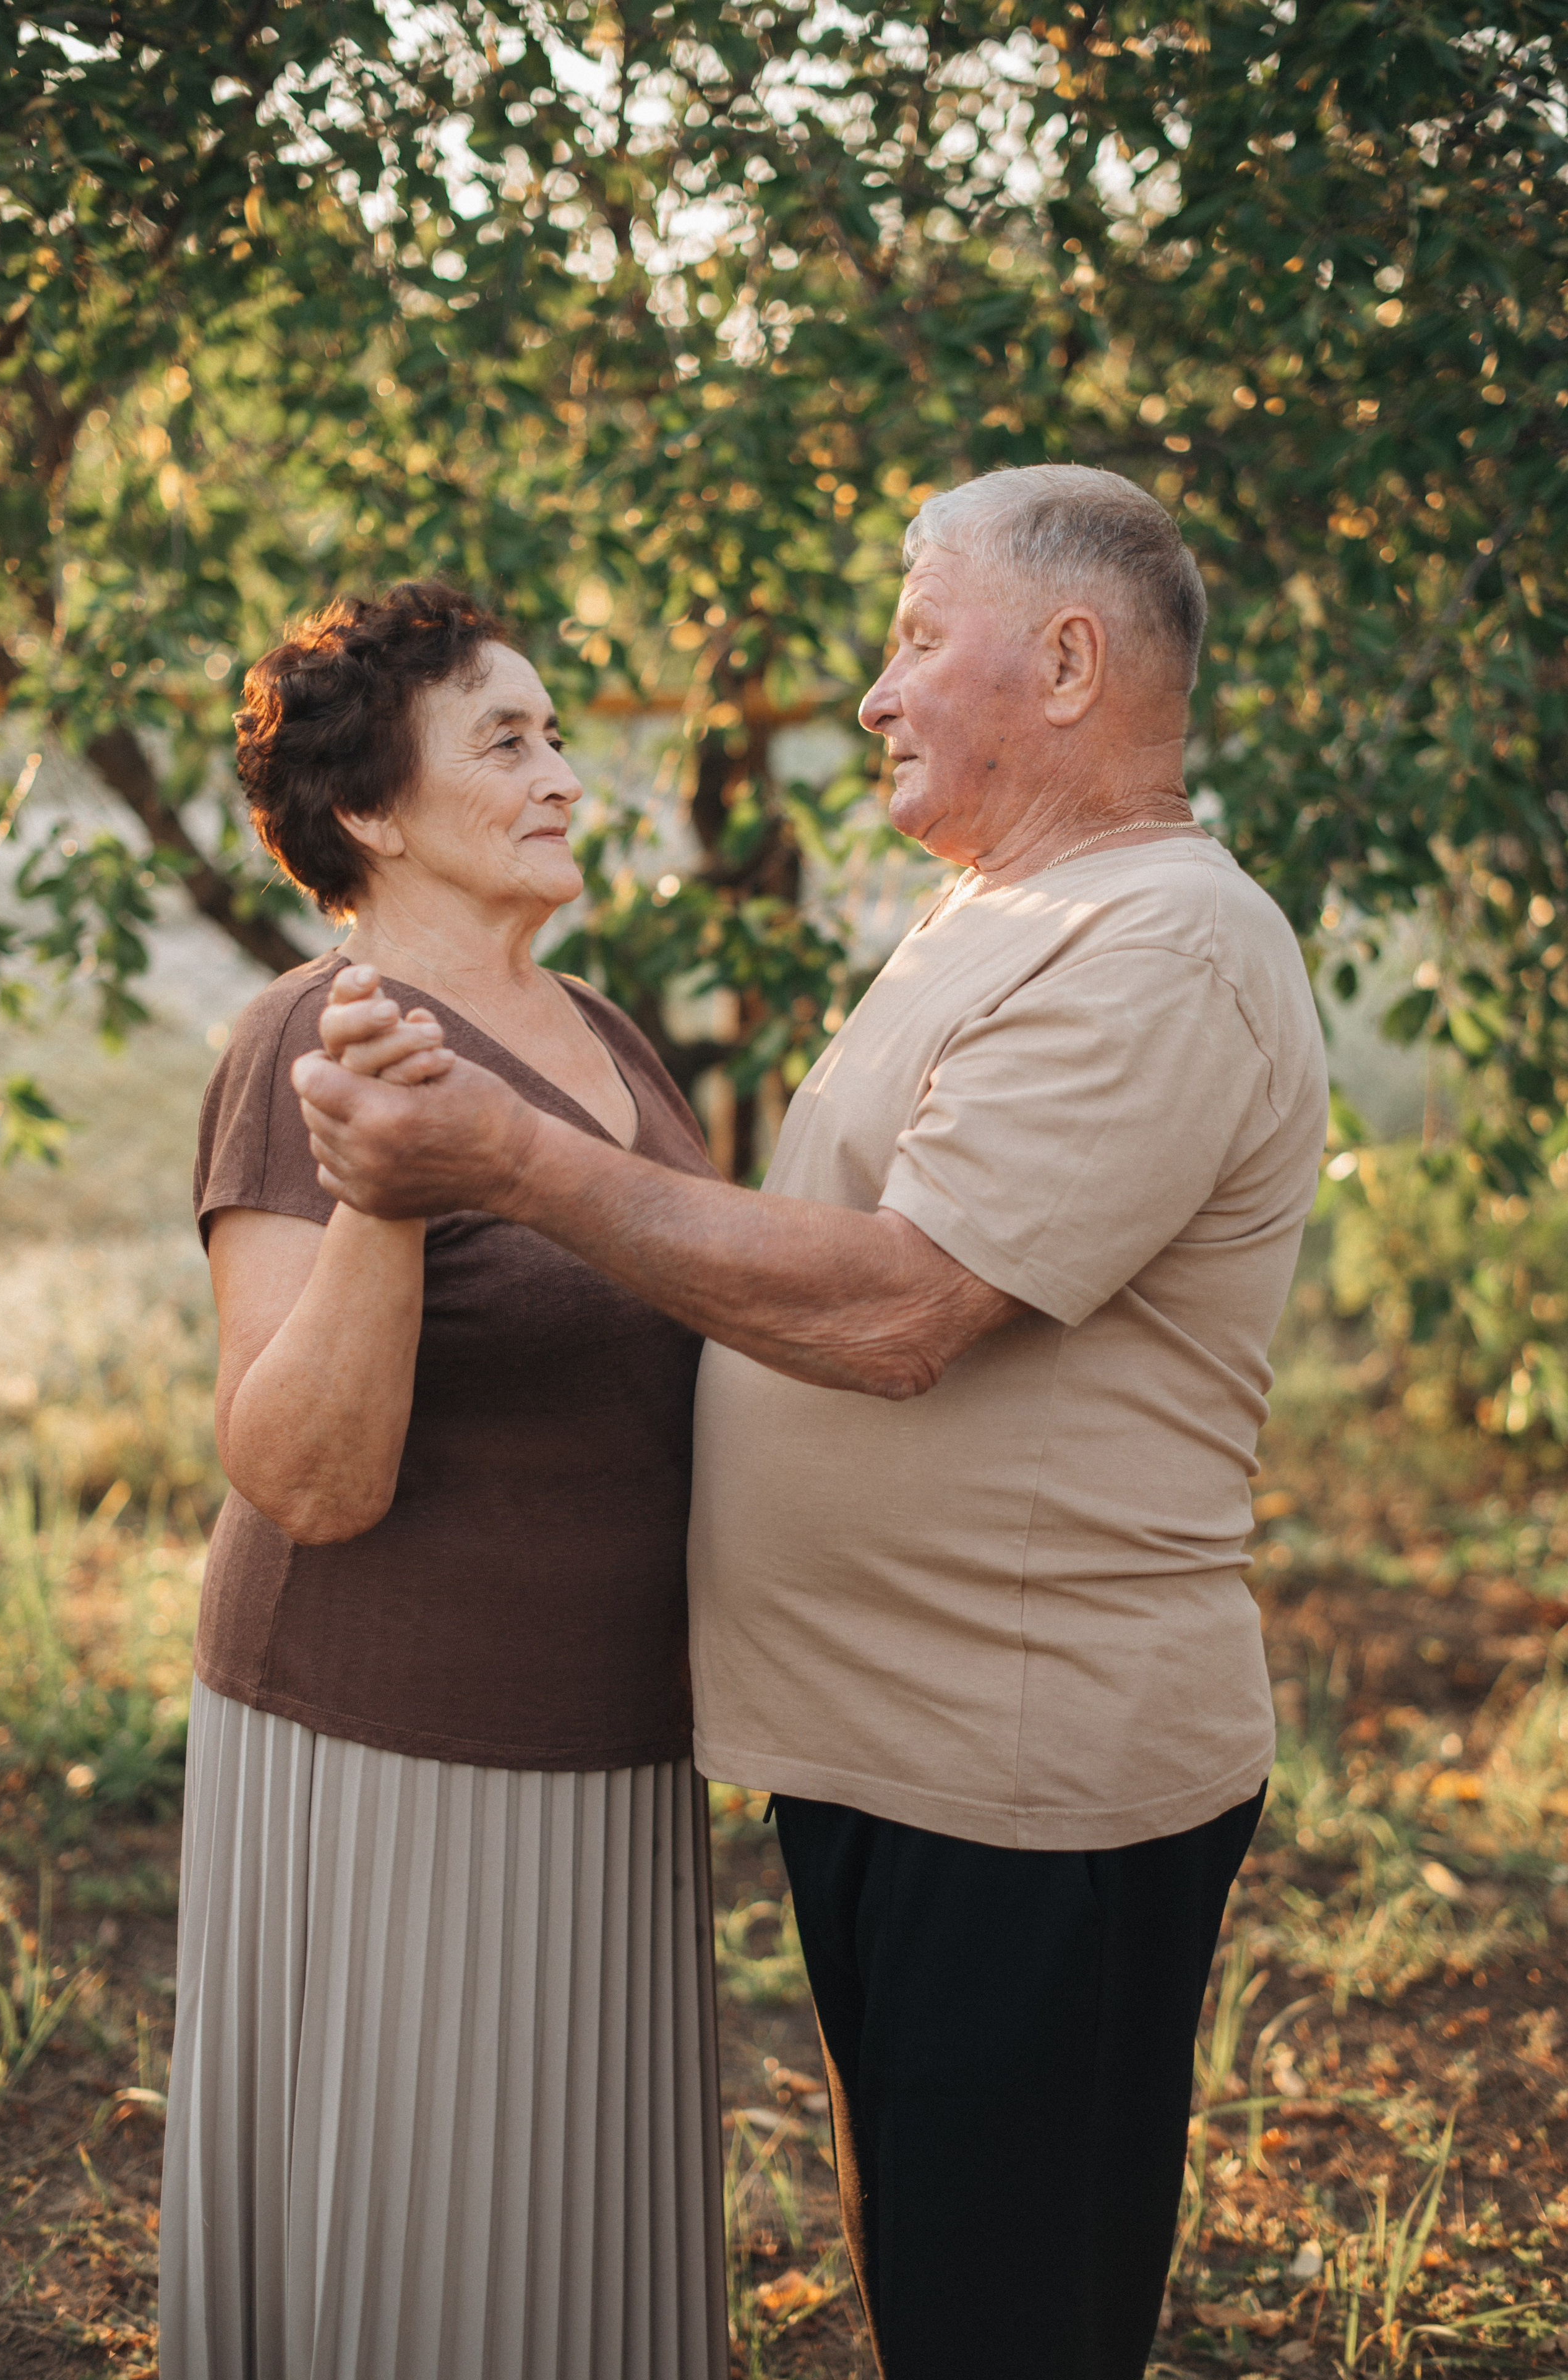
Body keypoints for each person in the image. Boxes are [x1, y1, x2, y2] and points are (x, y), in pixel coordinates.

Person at [293, 468, 1330, 2379]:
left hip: (1028, 1780)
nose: (875, 690)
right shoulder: (998, 914)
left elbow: (904, 1306)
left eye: (919, 637)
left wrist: (507, 1159)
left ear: (1072, 661)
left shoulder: (1162, 947)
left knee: (1008, 2319)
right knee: (937, 2286)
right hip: (908, 1757)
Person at [160, 581, 728, 2380]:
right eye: (507, 738)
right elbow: (297, 1470)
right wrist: (390, 1214)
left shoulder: (614, 1034)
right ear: (374, 814)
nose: (564, 772)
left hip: (616, 1743)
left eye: (557, 732)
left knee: (576, 2254)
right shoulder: (311, 1045)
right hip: (396, 1747)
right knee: (435, 2263)